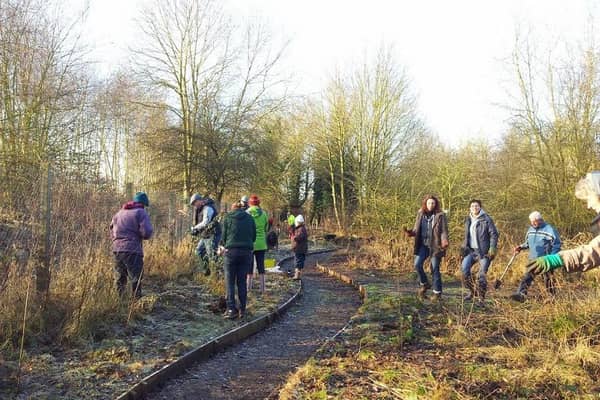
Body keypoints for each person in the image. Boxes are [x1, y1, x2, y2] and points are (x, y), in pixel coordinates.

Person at [528, 171, 600, 276]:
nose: (589, 206)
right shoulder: (531, 230)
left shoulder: (549, 229)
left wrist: (557, 258)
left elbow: (594, 251)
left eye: (589, 198)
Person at [403, 195, 449, 301]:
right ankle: (425, 284)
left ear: (435, 204)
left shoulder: (440, 215)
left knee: (434, 269)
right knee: (417, 264)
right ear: (425, 203)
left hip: (435, 246)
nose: (431, 205)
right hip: (423, 245)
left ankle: (437, 293)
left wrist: (444, 241)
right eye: (429, 203)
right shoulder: (420, 214)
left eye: (433, 203)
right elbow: (416, 229)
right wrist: (410, 232)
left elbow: (444, 231)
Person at [510, 211, 561, 302]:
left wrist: (551, 257)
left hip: (545, 259)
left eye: (535, 221)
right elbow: (528, 243)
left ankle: (552, 297)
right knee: (527, 277)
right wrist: (520, 247)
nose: (533, 223)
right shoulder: (531, 230)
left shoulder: (549, 229)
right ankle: (521, 295)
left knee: (548, 278)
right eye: (531, 221)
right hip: (533, 259)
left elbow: (557, 244)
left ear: (540, 220)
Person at [110, 191, 154, 298]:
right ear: (143, 204)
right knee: (136, 278)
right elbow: (146, 232)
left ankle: (119, 301)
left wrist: (117, 239)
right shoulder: (141, 212)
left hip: (117, 250)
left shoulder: (119, 213)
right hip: (133, 250)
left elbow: (111, 228)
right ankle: (136, 302)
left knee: (120, 277)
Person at [220, 202, 256, 319]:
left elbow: (223, 237)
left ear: (232, 209)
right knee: (242, 281)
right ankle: (242, 309)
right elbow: (254, 236)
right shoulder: (250, 218)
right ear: (242, 208)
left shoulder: (227, 218)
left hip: (230, 252)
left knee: (230, 281)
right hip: (246, 253)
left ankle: (231, 309)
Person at [460, 199, 499, 305]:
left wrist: (492, 248)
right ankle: (473, 292)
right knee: (464, 272)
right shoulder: (468, 219)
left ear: (480, 207)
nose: (474, 208)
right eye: (472, 206)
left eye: (477, 206)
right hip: (471, 251)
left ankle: (481, 298)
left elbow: (494, 234)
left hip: (484, 252)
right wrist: (463, 247)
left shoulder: (486, 219)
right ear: (470, 208)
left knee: (481, 275)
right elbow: (467, 236)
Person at [190, 193, 221, 276]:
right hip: (205, 235)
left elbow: (205, 222)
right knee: (199, 251)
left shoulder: (208, 208)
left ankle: (217, 276)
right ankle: (206, 271)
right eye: (193, 204)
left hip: (213, 234)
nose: (194, 205)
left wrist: (195, 228)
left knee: (212, 255)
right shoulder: (200, 209)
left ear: (199, 200)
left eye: (194, 203)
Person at [246, 194, 269, 293]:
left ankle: (248, 288)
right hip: (261, 243)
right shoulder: (264, 214)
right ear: (259, 203)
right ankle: (263, 289)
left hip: (250, 243)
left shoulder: (246, 213)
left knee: (249, 266)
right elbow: (266, 228)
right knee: (261, 266)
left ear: (249, 203)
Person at [291, 214, 308, 280]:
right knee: (298, 261)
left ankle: (297, 275)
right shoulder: (300, 228)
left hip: (299, 249)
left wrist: (294, 237)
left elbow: (300, 237)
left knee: (298, 262)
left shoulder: (301, 229)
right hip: (299, 248)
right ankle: (297, 274)